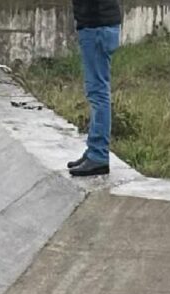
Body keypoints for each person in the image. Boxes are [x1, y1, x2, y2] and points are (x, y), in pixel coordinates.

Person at [68, 0, 121, 179]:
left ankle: (98, 155)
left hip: (97, 28)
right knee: (97, 92)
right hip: (100, 26)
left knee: (98, 94)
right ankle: (93, 151)